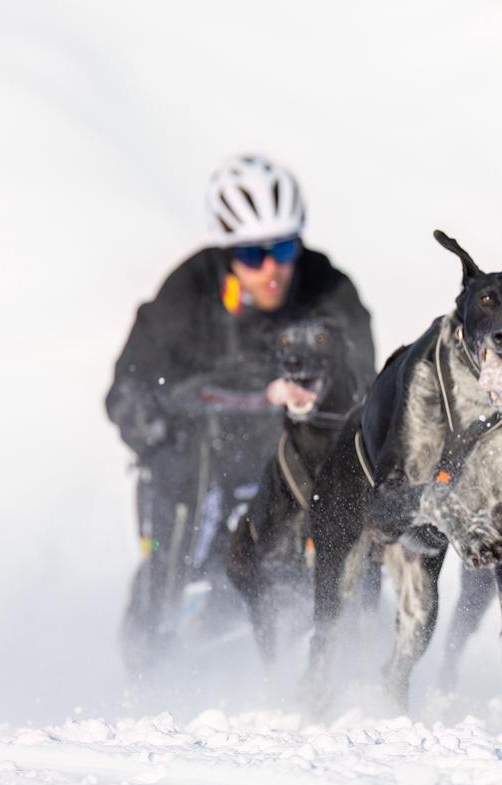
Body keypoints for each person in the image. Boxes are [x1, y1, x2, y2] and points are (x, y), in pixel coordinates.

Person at [105, 154, 375, 674]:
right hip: (199, 469)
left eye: (284, 249)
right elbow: (130, 384)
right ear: (229, 253)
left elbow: (363, 378)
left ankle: (350, 634)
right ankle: (157, 639)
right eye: (254, 254)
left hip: (287, 464)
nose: (272, 268)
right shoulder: (189, 290)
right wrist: (150, 414)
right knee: (180, 472)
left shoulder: (327, 289)